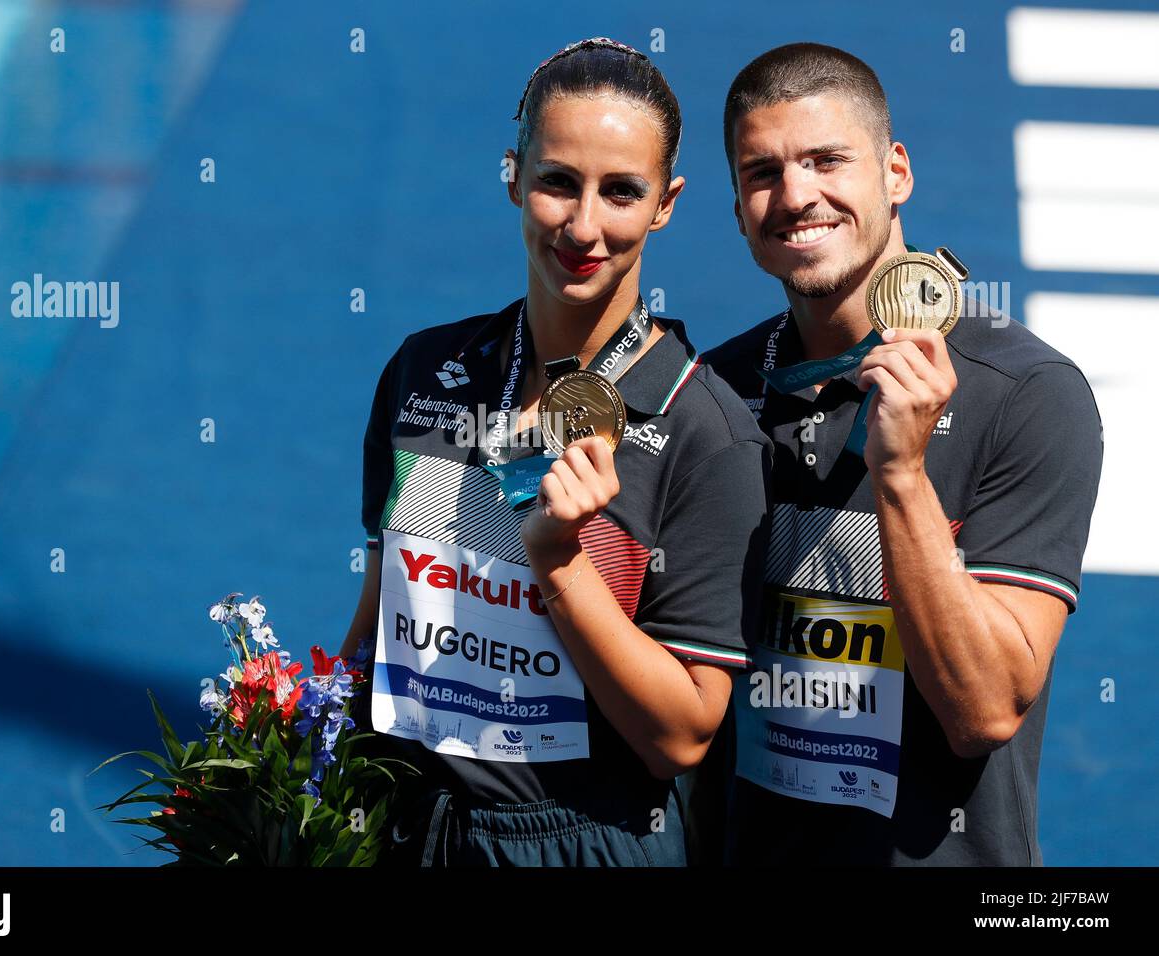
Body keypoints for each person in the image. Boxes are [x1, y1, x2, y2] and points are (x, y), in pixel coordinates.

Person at [338, 37, 770, 866]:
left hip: (581, 846)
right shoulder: (427, 371)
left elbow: (680, 737)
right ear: (513, 176)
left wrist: (563, 563)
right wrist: (300, 759)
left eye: (622, 193)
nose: (584, 225)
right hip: (405, 823)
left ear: (667, 203)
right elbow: (380, 615)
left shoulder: (705, 434)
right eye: (557, 183)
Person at [704, 42, 1104, 865]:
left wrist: (901, 475)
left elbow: (984, 710)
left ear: (896, 172)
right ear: (738, 208)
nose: (796, 195)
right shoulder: (713, 393)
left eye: (826, 160)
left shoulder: (1026, 394)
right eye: (762, 172)